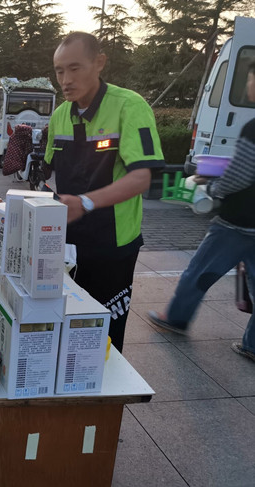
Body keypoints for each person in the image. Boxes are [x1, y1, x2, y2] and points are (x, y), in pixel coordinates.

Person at [44, 32, 165, 353]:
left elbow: (142, 176)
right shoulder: (60, 115)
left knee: (103, 339)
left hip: (112, 246)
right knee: (63, 332)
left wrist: (85, 202)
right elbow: (49, 177)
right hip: (66, 247)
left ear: (99, 63)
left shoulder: (129, 106)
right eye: (59, 71)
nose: (65, 80)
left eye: (74, 68)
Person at [148, 62, 255, 361]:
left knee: (199, 271)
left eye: (251, 79)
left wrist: (213, 188)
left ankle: (176, 318)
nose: (248, 85)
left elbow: (240, 175)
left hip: (237, 222)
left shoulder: (253, 128)